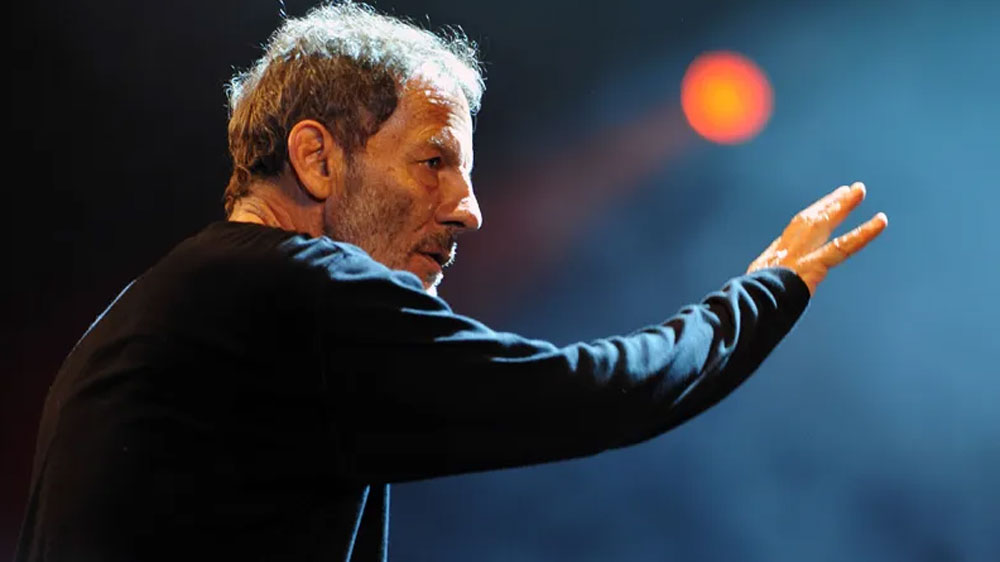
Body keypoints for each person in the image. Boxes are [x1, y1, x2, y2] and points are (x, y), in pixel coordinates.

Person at [15, 2, 888, 561]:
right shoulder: (292, 292)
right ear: (317, 158)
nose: (468, 210)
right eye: (433, 162)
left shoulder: (173, 307)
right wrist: (765, 292)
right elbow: (590, 396)